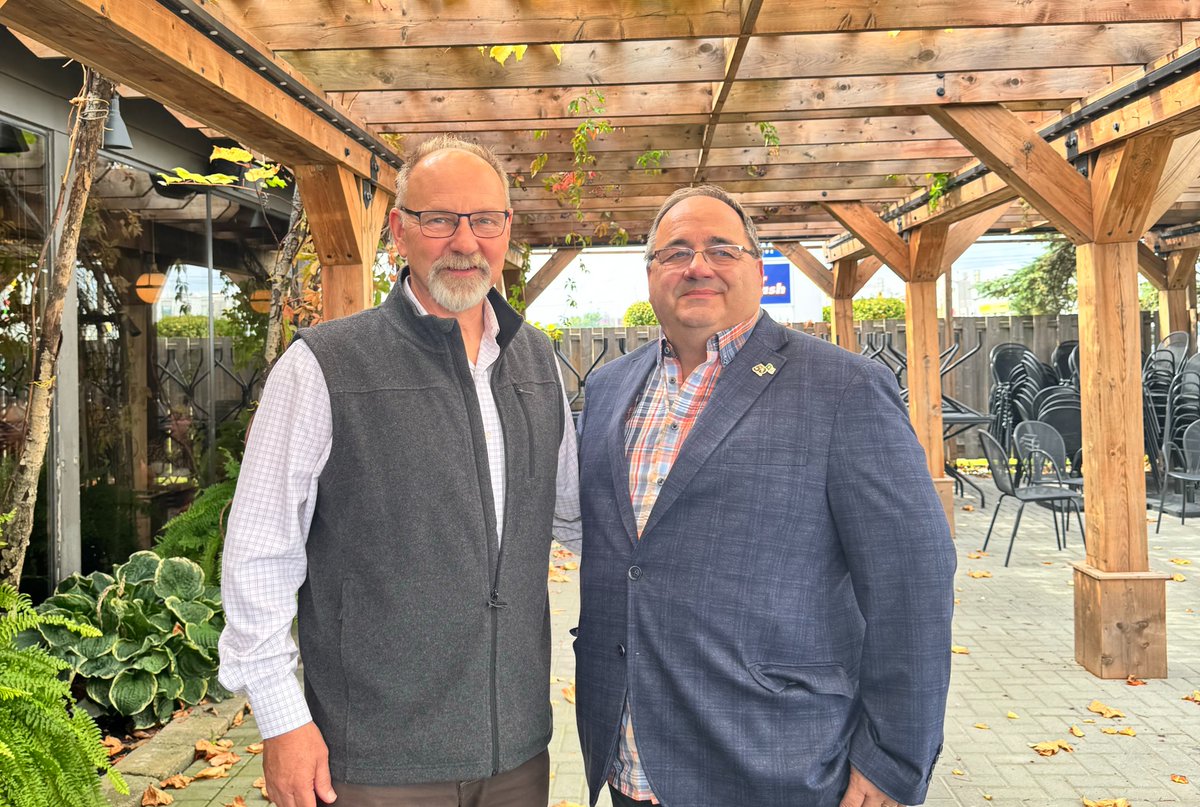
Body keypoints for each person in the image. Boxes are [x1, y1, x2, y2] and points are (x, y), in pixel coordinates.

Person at [218, 134, 580, 807]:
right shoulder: (323, 367)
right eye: (439, 219)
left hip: (518, 755)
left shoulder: (538, 365)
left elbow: (577, 520)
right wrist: (282, 717)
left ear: (508, 229)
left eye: (485, 220)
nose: (465, 241)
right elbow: (259, 555)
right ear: (399, 230)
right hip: (373, 762)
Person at [573, 186, 956, 807]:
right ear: (650, 275)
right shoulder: (612, 386)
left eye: (721, 249)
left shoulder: (844, 389)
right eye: (675, 253)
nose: (697, 266)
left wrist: (891, 761)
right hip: (628, 761)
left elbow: (912, 584)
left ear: (758, 266)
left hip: (777, 764)